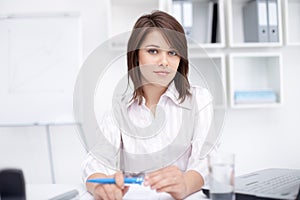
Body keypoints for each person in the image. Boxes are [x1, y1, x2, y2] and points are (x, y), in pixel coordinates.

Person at [82, 10, 215, 200]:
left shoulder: (199, 100)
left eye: (172, 53)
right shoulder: (119, 109)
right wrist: (100, 186)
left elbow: (206, 161)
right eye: (153, 51)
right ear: (136, 56)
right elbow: (95, 164)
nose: (164, 61)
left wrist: (185, 184)